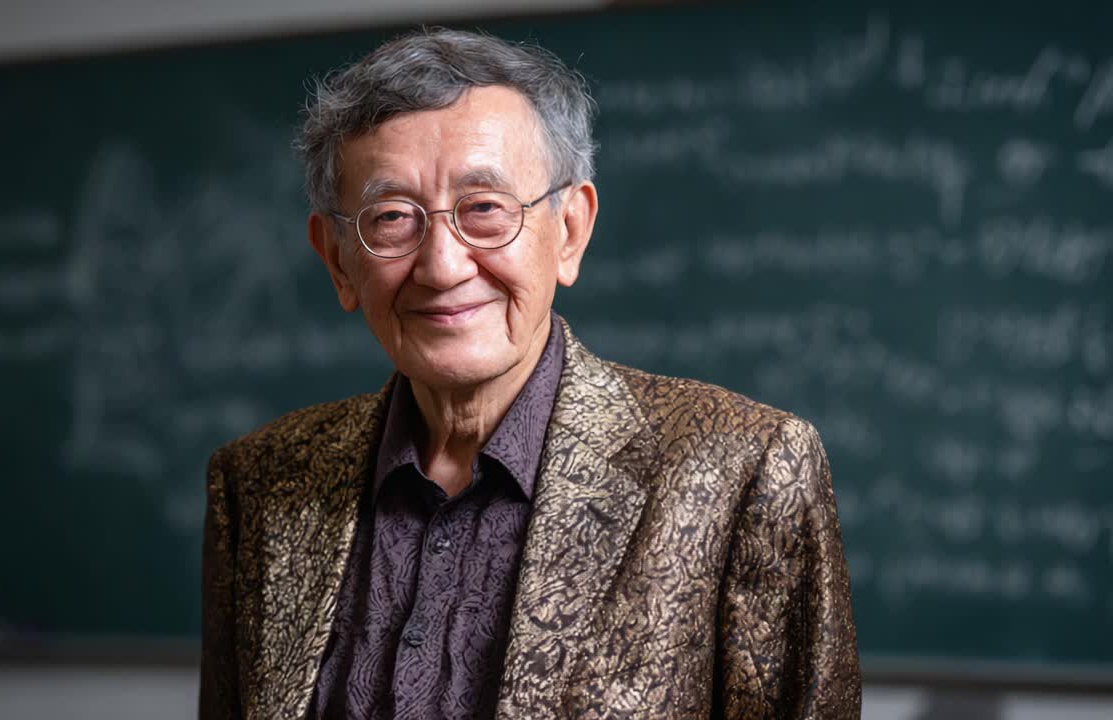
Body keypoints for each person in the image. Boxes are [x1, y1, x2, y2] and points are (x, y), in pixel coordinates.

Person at [199, 27, 860, 720]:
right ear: (337, 259)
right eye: (393, 218)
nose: (443, 266)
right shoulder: (262, 485)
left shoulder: (741, 472)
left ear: (569, 230)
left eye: (484, 209)